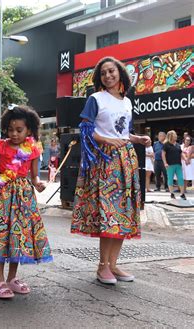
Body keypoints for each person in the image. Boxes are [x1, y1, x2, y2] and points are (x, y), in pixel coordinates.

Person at [71, 56, 151, 285]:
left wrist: (138, 138)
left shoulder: (127, 101)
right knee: (108, 214)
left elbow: (122, 133)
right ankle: (102, 266)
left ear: (120, 73)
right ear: (100, 77)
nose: (108, 76)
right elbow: (86, 131)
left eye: (111, 71)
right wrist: (106, 141)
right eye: (103, 73)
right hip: (105, 162)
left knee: (123, 213)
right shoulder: (96, 99)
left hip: (126, 160)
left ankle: (113, 265)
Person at [0, 106, 52, 299]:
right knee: (1, 235)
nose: (14, 134)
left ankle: (12, 278)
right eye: (11, 130)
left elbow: (34, 177)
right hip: (1, 196)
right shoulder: (1, 145)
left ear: (29, 131)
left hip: (23, 198)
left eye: (19, 130)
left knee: (17, 237)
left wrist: (39, 184)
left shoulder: (32, 149)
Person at [162, 130, 187, 200]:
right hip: (170, 165)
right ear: (171, 136)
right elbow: (163, 154)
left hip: (178, 164)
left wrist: (185, 159)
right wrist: (165, 163)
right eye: (174, 135)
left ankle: (182, 194)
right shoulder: (166, 144)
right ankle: (172, 193)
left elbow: (181, 153)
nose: (176, 136)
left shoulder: (178, 144)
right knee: (170, 179)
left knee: (181, 179)